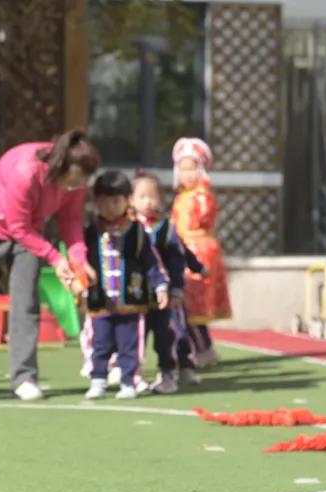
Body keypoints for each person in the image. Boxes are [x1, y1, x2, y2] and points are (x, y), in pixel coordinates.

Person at [0, 130, 100, 400]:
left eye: (83, 181)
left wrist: (79, 261)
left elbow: (70, 222)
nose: (78, 185)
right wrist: (56, 258)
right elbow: (16, 226)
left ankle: (24, 377)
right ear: (61, 166)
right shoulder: (26, 171)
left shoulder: (76, 180)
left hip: (31, 230)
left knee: (27, 302)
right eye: (75, 180)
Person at [82, 171, 168, 400]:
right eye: (102, 202)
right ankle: (98, 379)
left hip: (131, 300)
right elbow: (80, 261)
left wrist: (160, 286)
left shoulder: (138, 231)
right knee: (99, 343)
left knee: (129, 345)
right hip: (100, 301)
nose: (109, 207)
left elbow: (151, 262)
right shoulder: (89, 232)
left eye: (115, 201)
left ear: (127, 200)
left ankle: (129, 381)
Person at [131, 172, 204, 393]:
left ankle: (176, 370)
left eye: (153, 196)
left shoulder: (166, 228)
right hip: (138, 294)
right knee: (135, 335)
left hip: (167, 295)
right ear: (131, 200)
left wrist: (179, 285)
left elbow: (180, 254)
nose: (148, 202)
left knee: (173, 333)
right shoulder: (128, 228)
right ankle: (131, 373)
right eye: (142, 196)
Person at [171, 137, 231, 368]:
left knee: (192, 303)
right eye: (183, 169)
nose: (187, 174)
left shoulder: (202, 196)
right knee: (186, 304)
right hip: (183, 249)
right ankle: (196, 348)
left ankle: (202, 348)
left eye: (192, 168)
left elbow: (203, 217)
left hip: (198, 251)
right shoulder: (182, 197)